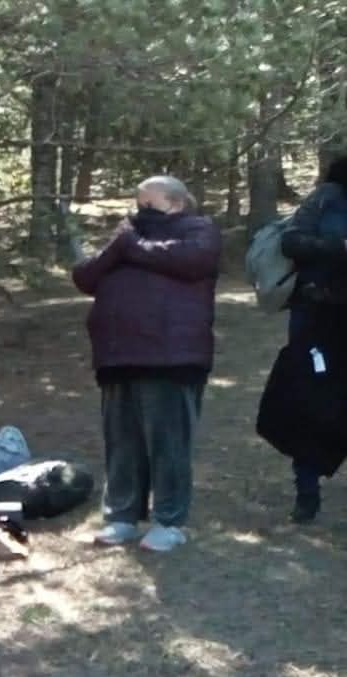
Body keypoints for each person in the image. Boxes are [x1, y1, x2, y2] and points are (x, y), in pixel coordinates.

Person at [73, 175, 220, 552]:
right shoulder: (124, 237)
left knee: (169, 445)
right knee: (122, 445)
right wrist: (119, 245)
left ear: (177, 204)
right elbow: (85, 276)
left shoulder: (199, 231)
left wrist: (131, 245)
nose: (142, 212)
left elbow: (191, 261)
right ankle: (121, 517)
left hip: (171, 356)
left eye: (150, 205)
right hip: (117, 356)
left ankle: (169, 522)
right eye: (139, 205)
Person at [277, 155, 347, 523]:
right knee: (310, 401)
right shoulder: (327, 197)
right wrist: (339, 247)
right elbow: (291, 242)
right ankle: (306, 493)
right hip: (317, 314)